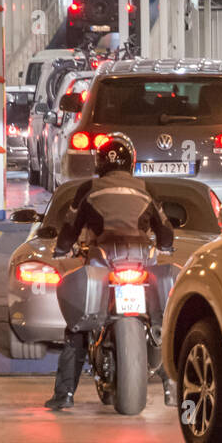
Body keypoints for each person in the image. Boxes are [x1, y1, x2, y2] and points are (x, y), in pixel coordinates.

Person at [45, 134, 175, 410]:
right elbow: (164, 229)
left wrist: (62, 249)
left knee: (80, 325)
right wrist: (165, 246)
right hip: (142, 258)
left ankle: (65, 394)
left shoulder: (89, 189)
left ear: (99, 162)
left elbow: (70, 226)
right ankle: (171, 387)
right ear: (131, 163)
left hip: (103, 257)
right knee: (161, 321)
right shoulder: (145, 187)